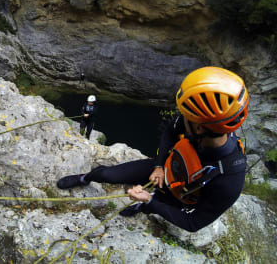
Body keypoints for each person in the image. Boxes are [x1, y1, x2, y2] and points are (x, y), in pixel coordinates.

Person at [57, 67, 249, 232]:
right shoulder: (202, 126)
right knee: (107, 174)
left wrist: (150, 201)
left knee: (147, 205)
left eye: (187, 115)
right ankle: (84, 178)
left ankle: (141, 206)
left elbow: (194, 222)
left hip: (180, 196)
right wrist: (158, 167)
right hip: (163, 168)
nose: (182, 116)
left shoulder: (229, 179)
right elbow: (169, 133)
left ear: (199, 127)